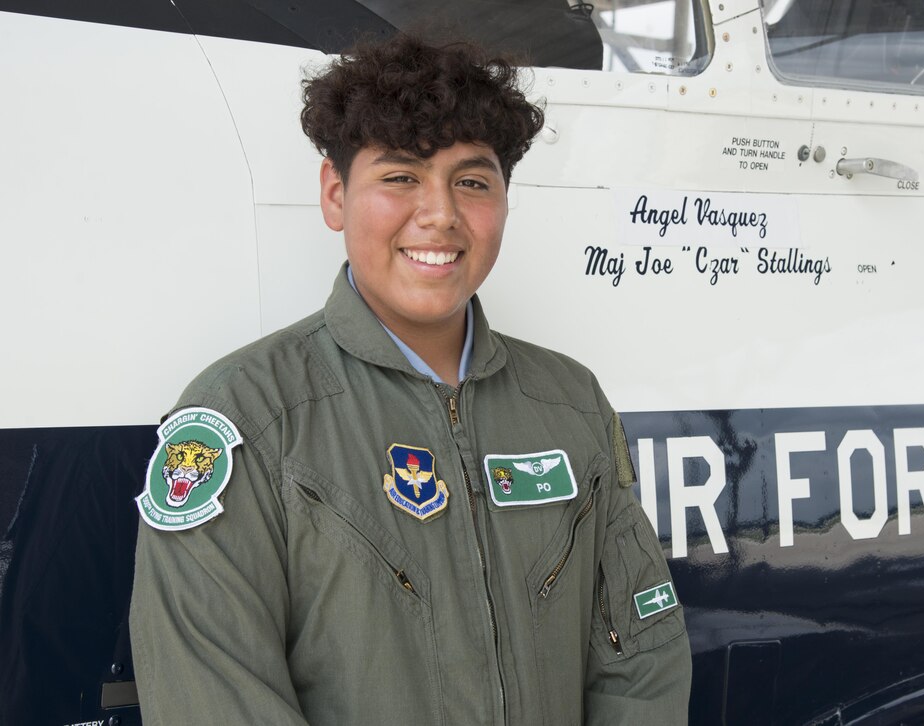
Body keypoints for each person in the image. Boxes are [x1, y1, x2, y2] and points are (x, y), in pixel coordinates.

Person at [130, 34, 691, 725]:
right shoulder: (245, 417)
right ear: (336, 196)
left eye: (473, 182)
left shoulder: (570, 404)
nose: (441, 215)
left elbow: (643, 653)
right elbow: (209, 698)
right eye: (400, 177)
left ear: (505, 202)